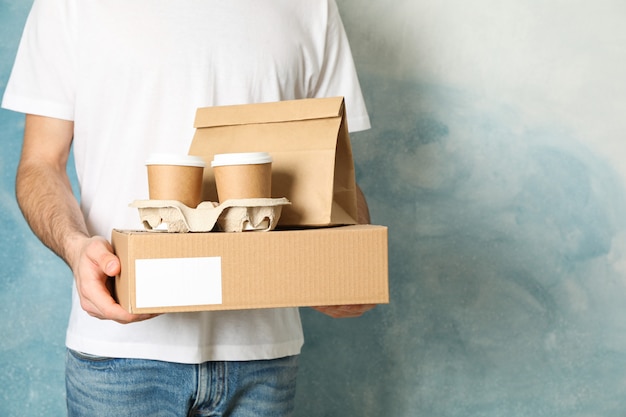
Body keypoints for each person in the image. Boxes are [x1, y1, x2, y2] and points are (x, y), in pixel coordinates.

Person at [2, 0, 375, 415]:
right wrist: (75, 247)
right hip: (120, 350)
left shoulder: (311, 6)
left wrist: (353, 263)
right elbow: (40, 164)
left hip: (263, 353)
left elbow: (336, 175)